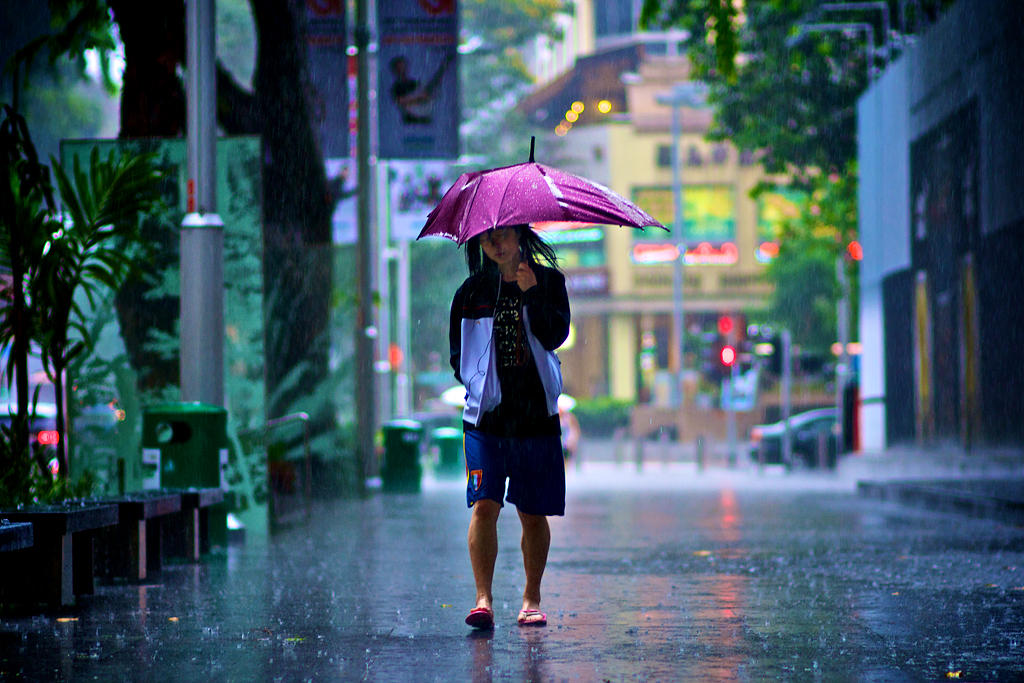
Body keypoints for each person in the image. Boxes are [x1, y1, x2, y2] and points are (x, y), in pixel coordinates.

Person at [449, 224, 570, 630]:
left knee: (532, 514)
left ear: (520, 236)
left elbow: (555, 335)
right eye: (487, 239)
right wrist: (479, 384)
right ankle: (483, 598)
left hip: (536, 418)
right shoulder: (471, 293)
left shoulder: (549, 281)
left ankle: (531, 597)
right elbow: (458, 355)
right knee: (484, 505)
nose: (496, 245)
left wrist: (533, 291)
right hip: (486, 420)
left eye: (503, 235)